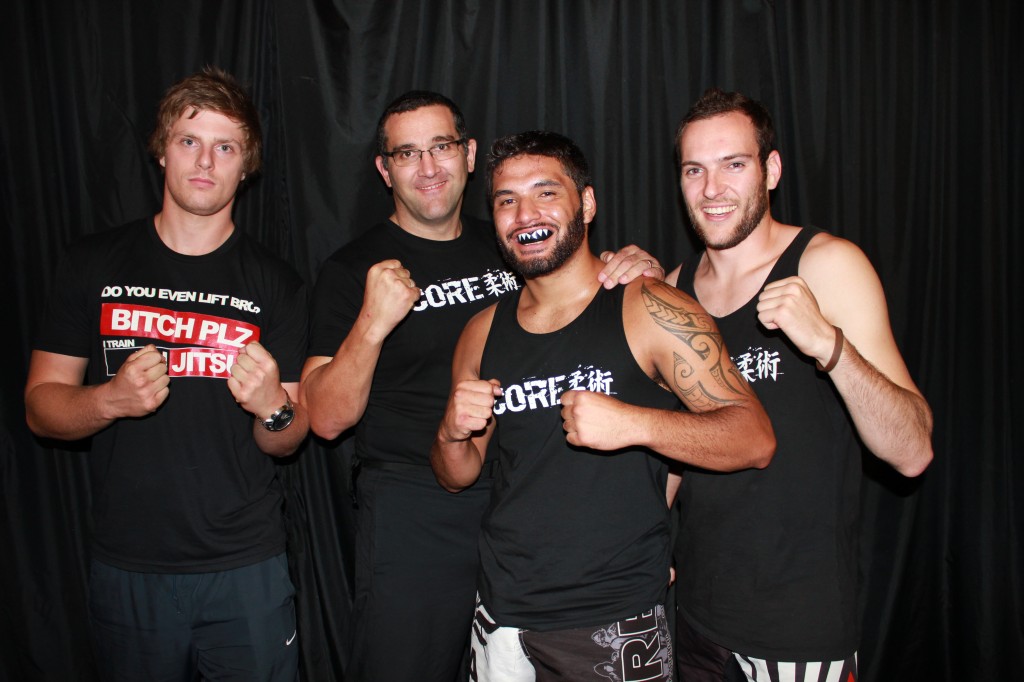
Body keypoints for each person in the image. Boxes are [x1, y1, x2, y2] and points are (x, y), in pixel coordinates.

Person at [301, 92, 661, 682]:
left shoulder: (513, 239)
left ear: (467, 154)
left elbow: (593, 306)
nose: (428, 167)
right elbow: (325, 420)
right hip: (418, 513)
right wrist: (372, 320)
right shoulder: (352, 269)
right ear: (383, 168)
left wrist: (633, 265)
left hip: (525, 503)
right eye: (407, 153)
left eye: (441, 147)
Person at [431, 130, 776, 681]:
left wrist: (633, 423)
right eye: (506, 200)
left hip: (612, 619)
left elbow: (754, 438)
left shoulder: (649, 305)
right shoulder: (480, 332)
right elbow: (458, 476)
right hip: (499, 615)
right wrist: (451, 434)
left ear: (586, 204)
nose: (525, 214)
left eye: (546, 192)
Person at [24, 67, 308, 681]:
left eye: (225, 146)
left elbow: (288, 438)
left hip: (245, 569)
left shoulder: (276, 284)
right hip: (129, 568)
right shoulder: (92, 263)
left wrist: (271, 408)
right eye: (189, 141)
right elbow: (40, 407)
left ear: (245, 166)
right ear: (161, 151)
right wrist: (109, 401)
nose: (205, 160)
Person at [666, 87, 934, 682]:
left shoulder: (826, 266)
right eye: (694, 169)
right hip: (696, 619)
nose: (712, 189)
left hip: (799, 625)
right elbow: (678, 446)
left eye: (733, 164)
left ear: (772, 169)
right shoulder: (674, 289)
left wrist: (829, 346)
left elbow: (913, 452)